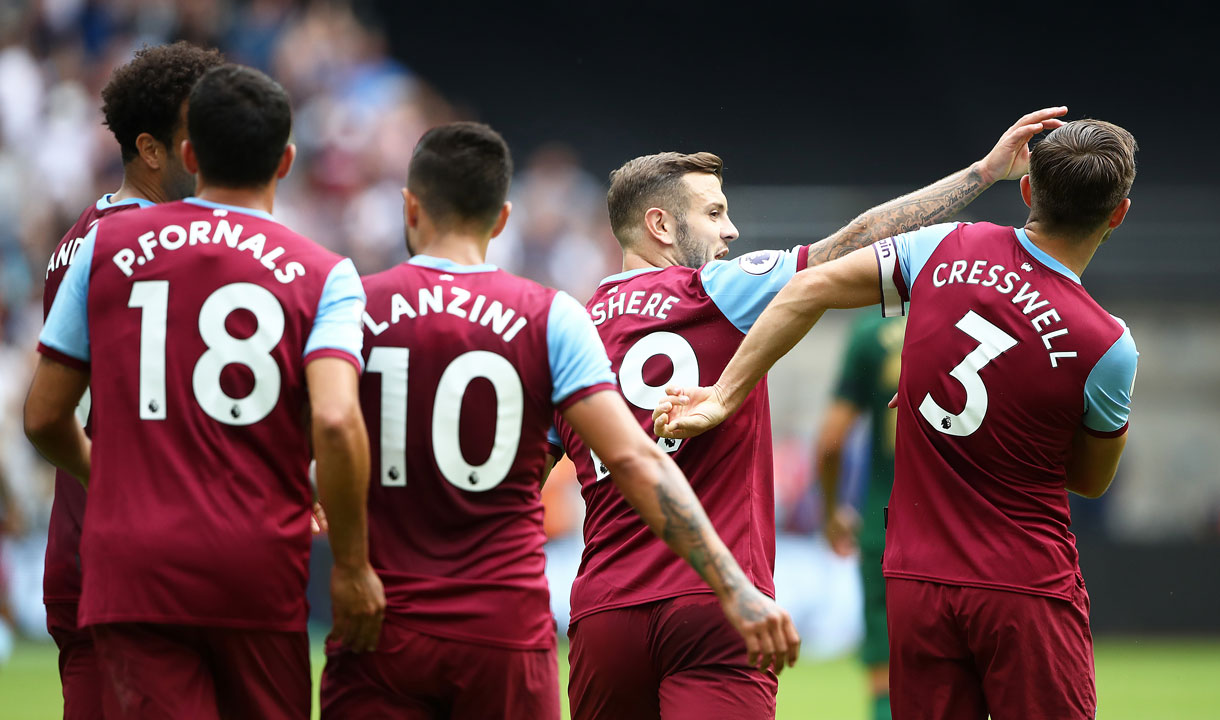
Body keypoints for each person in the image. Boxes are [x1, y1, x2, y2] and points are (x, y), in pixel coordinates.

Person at [550, 106, 1067, 720]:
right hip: (713, 603)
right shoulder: (716, 289)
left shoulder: (569, 332)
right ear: (660, 225)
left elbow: (520, 475)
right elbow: (857, 243)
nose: (731, 231)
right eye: (714, 213)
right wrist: (983, 173)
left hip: (603, 612)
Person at [654, 117, 1138, 720]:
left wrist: (724, 396)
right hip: (1025, 581)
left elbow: (806, 289)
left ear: (1026, 192)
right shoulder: (1108, 344)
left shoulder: (946, 247)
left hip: (916, 579)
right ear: (1117, 213)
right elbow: (1088, 479)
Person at [319, 121, 796, 720]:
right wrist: (731, 584)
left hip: (421, 608)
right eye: (716, 213)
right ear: (501, 219)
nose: (730, 230)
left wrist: (348, 554)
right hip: (511, 620)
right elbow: (631, 457)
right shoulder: (548, 318)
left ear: (409, 208)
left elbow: (336, 427)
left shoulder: (354, 302)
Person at [25, 64, 385, 719]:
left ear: (190, 152)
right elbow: (335, 419)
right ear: (287, 160)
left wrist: (109, 480)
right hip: (254, 558)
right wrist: (352, 562)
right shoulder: (323, 270)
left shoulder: (102, 243)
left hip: (120, 554)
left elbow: (44, 414)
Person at [38, 41, 224, 720]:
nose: (216, 154)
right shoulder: (154, 249)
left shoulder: (86, 234)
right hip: (144, 557)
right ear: (151, 150)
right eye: (198, 138)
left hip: (82, 549)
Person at [815, 312, 905, 720]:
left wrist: (832, 512)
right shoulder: (981, 317)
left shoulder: (873, 334)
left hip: (887, 523)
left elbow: (831, 441)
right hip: (966, 525)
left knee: (886, 675)